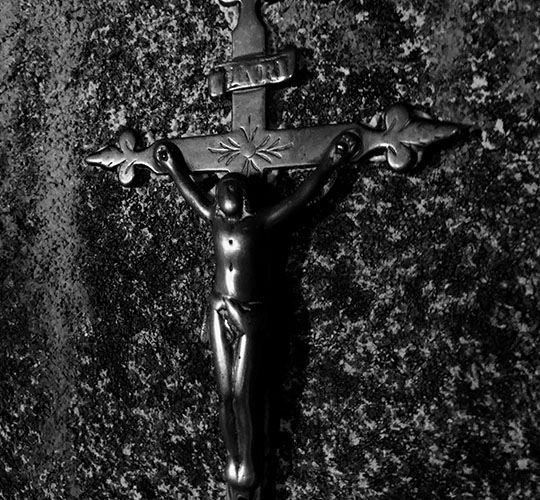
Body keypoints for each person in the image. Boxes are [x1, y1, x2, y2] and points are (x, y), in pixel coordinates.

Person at [154, 132, 357, 498]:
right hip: (218, 307)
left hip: (249, 314)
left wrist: (331, 161)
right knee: (225, 394)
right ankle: (233, 461)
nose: (225, 192)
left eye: (232, 188)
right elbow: (191, 195)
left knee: (244, 394)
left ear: (244, 197)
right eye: (223, 189)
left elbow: (300, 198)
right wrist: (172, 167)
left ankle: (247, 463)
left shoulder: (259, 223)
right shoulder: (216, 220)